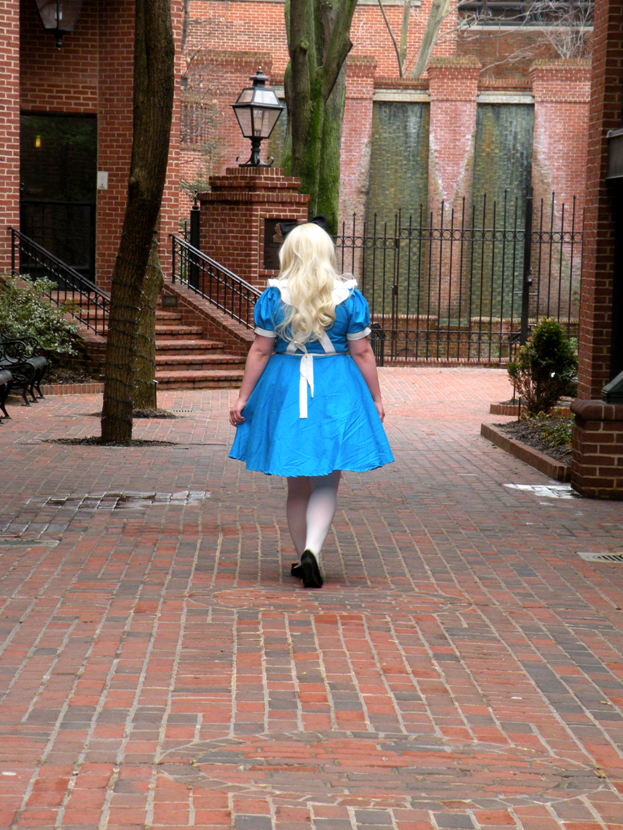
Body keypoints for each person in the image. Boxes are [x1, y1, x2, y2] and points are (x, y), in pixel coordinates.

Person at [229, 221, 393, 588]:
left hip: (286, 388)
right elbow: (362, 352)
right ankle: (313, 551)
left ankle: (303, 554)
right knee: (327, 481)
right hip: (336, 387)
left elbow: (260, 350)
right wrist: (376, 397)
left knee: (297, 486)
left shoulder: (274, 297)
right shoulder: (348, 297)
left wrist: (243, 397)